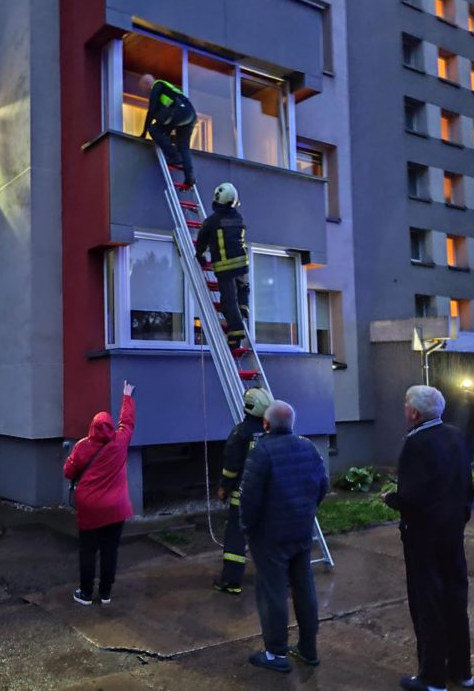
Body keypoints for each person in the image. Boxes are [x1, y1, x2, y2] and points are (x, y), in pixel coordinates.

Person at [383, 385, 474, 691]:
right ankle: (462, 671)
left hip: (423, 535)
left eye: (405, 406)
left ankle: (432, 677)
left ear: (414, 412)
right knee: (455, 598)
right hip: (453, 530)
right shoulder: (456, 436)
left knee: (428, 604)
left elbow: (413, 496)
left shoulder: (415, 443)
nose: (404, 411)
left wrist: (392, 499)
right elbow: (466, 484)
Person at [240, 400, 328, 673]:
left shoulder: (261, 452)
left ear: (265, 424)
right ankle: (308, 648)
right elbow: (322, 485)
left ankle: (276, 653)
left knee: (272, 592)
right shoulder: (308, 447)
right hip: (301, 532)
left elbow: (249, 497)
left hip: (270, 536)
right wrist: (305, 511)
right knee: (304, 588)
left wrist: (247, 527)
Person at [63, 381, 136, 606]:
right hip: (116, 508)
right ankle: (105, 593)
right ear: (111, 427)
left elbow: (68, 472)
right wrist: (127, 396)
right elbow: (128, 422)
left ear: (92, 427)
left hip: (90, 509)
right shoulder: (120, 442)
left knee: (88, 549)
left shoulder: (83, 447)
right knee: (110, 550)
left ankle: (85, 593)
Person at [213, 386, 270, 595]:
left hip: (242, 496)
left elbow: (231, 467)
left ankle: (231, 581)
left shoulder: (240, 433)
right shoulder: (269, 433)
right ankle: (276, 578)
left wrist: (223, 489)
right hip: (266, 496)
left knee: (235, 538)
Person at [195, 183, 249, 349]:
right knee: (242, 288)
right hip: (242, 263)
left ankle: (236, 335)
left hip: (224, 266)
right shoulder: (238, 218)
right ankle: (243, 309)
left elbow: (202, 240)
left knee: (228, 300)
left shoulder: (212, 221)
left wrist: (200, 256)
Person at [138, 74, 197, 187]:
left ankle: (174, 156)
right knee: (183, 146)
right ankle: (190, 177)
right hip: (190, 114)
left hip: (179, 113)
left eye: (143, 88)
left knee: (155, 130)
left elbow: (152, 110)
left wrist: (144, 132)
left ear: (147, 84)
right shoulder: (167, 88)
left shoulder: (157, 86)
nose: (144, 92)